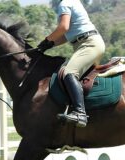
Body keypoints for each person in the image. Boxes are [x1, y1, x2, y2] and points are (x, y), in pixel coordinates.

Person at [37, 0, 105, 128]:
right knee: (64, 71)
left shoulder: (65, 3)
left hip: (88, 44)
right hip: (86, 43)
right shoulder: (73, 2)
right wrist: (49, 44)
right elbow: (66, 36)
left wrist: (46, 40)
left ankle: (80, 113)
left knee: (69, 73)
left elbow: (63, 28)